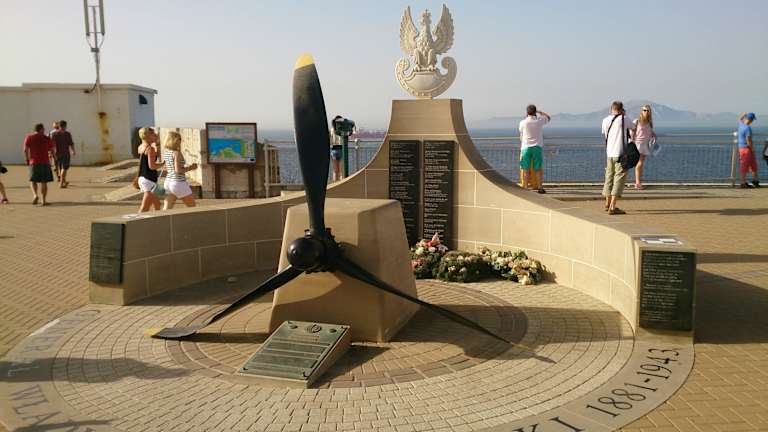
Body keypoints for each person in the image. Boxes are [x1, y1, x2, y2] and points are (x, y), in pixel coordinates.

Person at [601, 101, 636, 215]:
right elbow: (634, 128)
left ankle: (607, 203)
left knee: (609, 177)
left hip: (609, 153)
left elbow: (605, 134)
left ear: (611, 109)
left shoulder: (605, 120)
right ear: (621, 109)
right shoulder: (624, 119)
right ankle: (612, 207)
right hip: (620, 154)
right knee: (619, 178)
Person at [518, 104, 550, 193]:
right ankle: (540, 188)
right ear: (535, 112)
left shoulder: (523, 122)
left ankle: (525, 188)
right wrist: (540, 112)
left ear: (527, 112)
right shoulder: (539, 121)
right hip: (537, 147)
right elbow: (548, 117)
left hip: (526, 148)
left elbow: (521, 132)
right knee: (538, 168)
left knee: (525, 169)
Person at [162, 131, 197, 209]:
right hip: (178, 182)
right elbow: (178, 170)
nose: (181, 141)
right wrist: (191, 167)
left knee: (167, 209)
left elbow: (170, 168)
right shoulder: (176, 153)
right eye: (179, 139)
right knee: (193, 208)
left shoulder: (167, 153)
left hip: (168, 182)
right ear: (174, 140)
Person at [23, 123, 55, 206]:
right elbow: (52, 150)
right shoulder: (47, 138)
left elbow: (25, 149)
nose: (44, 130)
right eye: (43, 129)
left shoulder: (29, 137)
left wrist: (27, 159)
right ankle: (43, 201)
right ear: (40, 129)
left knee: (33, 181)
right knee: (44, 182)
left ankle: (35, 195)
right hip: (45, 162)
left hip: (34, 162)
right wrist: (55, 159)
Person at [136, 127, 164, 212]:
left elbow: (154, 155)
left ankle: (159, 219)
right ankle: (136, 220)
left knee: (157, 204)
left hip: (142, 178)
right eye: (153, 134)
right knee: (144, 208)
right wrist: (163, 164)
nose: (155, 135)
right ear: (147, 136)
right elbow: (152, 166)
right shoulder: (150, 149)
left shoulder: (140, 147)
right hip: (148, 180)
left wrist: (156, 144)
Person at [630, 104, 657, 190]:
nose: (646, 112)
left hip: (645, 144)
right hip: (637, 144)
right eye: (644, 110)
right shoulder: (637, 121)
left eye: (648, 110)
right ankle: (637, 183)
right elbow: (631, 132)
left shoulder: (649, 122)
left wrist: (654, 136)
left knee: (640, 164)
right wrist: (631, 142)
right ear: (641, 111)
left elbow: (650, 132)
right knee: (638, 163)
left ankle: (638, 182)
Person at [737, 112, 759, 188]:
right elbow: (748, 140)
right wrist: (752, 149)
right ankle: (743, 183)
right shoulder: (747, 128)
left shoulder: (741, 125)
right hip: (746, 149)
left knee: (753, 164)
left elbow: (739, 119)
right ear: (751, 120)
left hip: (742, 148)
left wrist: (743, 114)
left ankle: (755, 180)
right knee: (745, 165)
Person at [51, 120, 76, 188]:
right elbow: (71, 143)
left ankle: (63, 181)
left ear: (59, 126)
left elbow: (52, 145)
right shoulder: (67, 134)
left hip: (57, 154)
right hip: (65, 153)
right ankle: (61, 183)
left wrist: (52, 153)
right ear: (65, 126)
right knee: (64, 168)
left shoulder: (54, 134)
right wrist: (73, 151)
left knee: (60, 168)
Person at [330, 116, 343, 181]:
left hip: (334, 150)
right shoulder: (342, 129)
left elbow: (330, 139)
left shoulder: (332, 129)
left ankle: (335, 183)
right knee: (341, 170)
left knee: (335, 170)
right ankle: (342, 183)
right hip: (341, 149)